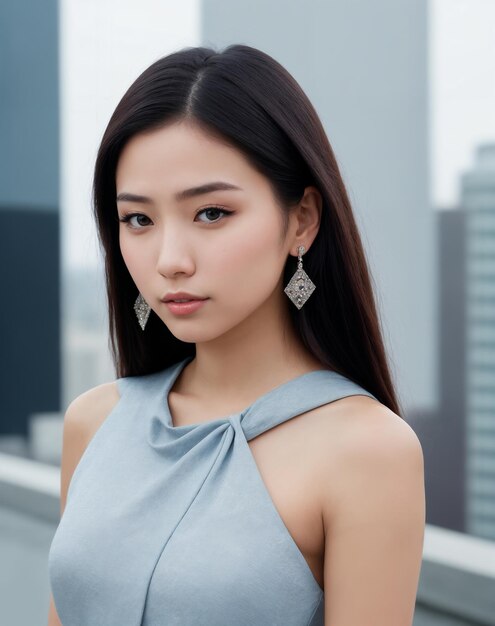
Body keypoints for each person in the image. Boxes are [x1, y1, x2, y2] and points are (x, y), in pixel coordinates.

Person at [47, 43, 425, 626]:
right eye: (138, 220)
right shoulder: (93, 423)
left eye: (212, 213)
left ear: (301, 219)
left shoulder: (368, 451)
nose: (170, 260)